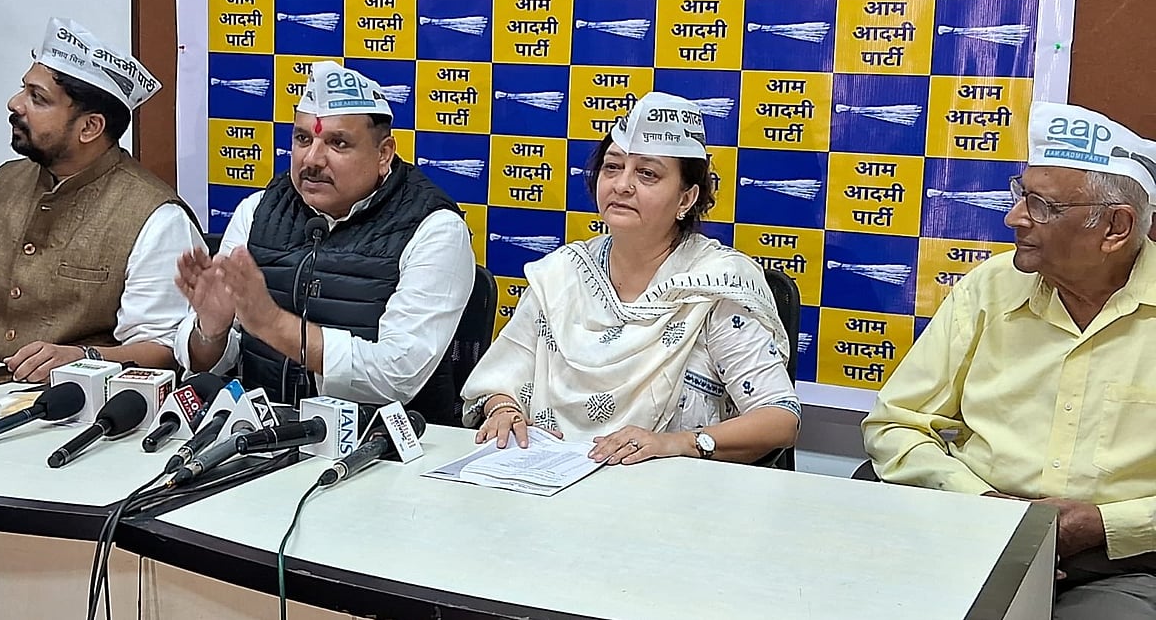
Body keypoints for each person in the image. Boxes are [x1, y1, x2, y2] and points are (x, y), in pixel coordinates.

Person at [862, 102, 1156, 618]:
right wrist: (981, 505)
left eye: (1042, 206)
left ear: (1115, 227)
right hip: (969, 530)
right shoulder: (991, 286)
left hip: (1124, 562)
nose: (1014, 217)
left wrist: (1105, 525)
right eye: (1021, 194)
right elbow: (895, 424)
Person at [460, 92, 799, 464]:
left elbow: (778, 418)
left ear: (686, 198)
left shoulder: (715, 284)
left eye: (647, 173)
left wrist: (678, 443)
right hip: (545, 481)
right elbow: (499, 380)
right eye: (612, 167)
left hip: (669, 499)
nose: (622, 185)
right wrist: (503, 412)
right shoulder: (563, 273)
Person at [175, 61, 474, 425]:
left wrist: (272, 324)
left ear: (384, 154)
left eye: (338, 143)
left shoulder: (435, 229)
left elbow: (397, 378)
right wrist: (211, 331)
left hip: (382, 451)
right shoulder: (257, 212)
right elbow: (211, 362)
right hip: (260, 436)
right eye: (303, 139)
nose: (312, 159)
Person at [0, 17, 201, 382]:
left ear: (90, 128)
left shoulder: (156, 218)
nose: (15, 103)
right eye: (23, 89)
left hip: (88, 414)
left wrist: (81, 359)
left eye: (37, 98)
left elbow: (164, 351)